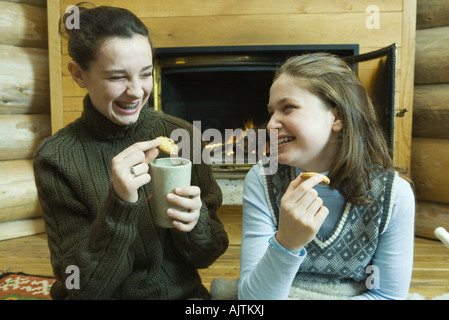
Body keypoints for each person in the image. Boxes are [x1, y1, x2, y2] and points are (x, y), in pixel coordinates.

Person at [33, 4, 228, 300]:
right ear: (78, 74)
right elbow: (82, 289)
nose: (136, 91)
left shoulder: (183, 136)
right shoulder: (56, 158)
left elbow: (207, 254)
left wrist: (194, 222)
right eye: (117, 77)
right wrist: (120, 204)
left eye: (146, 74)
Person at [238, 53, 415, 300]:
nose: (270, 125)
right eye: (271, 112)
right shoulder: (262, 179)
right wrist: (286, 243)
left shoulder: (395, 195)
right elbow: (252, 300)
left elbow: (387, 296)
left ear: (337, 116)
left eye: (288, 108)